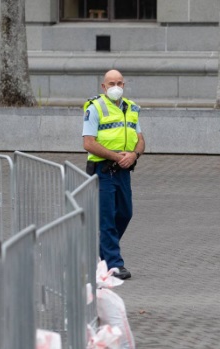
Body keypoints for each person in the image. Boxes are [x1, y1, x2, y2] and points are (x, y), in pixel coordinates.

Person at [82, 69, 145, 279]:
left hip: (123, 170)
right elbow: (88, 143)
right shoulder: (95, 108)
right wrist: (117, 157)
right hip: (103, 169)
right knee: (107, 219)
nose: (115, 87)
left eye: (119, 83)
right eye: (111, 83)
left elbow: (140, 139)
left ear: (124, 85)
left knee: (125, 214)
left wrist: (134, 154)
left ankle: (99, 256)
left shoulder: (131, 108)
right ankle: (114, 264)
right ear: (103, 87)